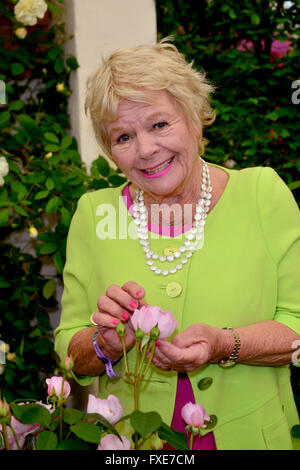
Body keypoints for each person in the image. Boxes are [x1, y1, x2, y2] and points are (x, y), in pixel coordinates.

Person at [54, 39, 300, 450]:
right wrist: (105, 342)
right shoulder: (94, 214)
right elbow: (70, 347)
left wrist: (226, 344)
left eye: (160, 124)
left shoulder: (262, 194)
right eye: (123, 136)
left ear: (195, 117)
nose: (146, 150)